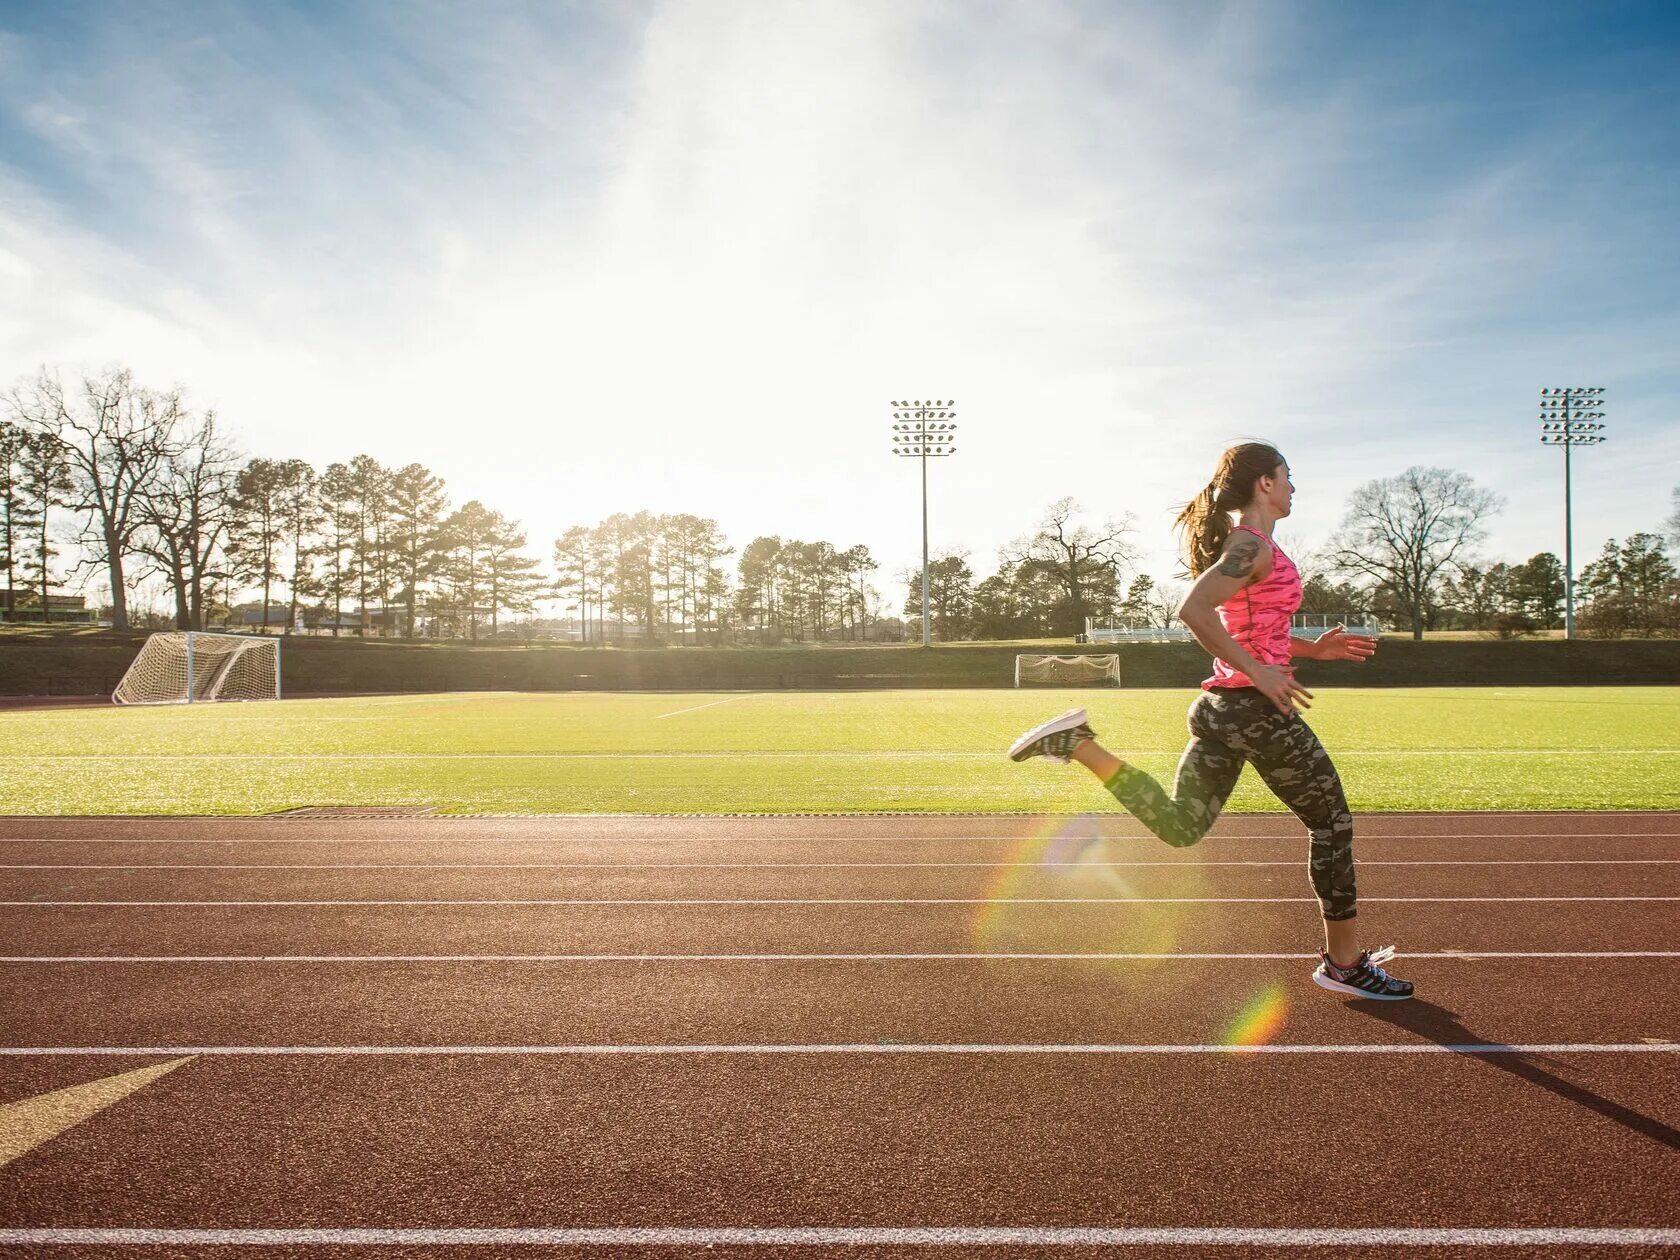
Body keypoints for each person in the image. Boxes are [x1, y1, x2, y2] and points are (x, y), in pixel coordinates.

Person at [1007, 442, 1412, 1000]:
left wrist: (1310, 653)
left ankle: (1079, 743)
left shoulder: (1257, 545)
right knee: (1333, 824)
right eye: (1287, 477)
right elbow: (1193, 610)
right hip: (1253, 709)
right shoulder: (1250, 544)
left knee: (1181, 825)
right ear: (1265, 484)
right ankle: (1343, 965)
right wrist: (1264, 675)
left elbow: (1254, 631)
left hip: (1225, 707)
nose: (1294, 487)